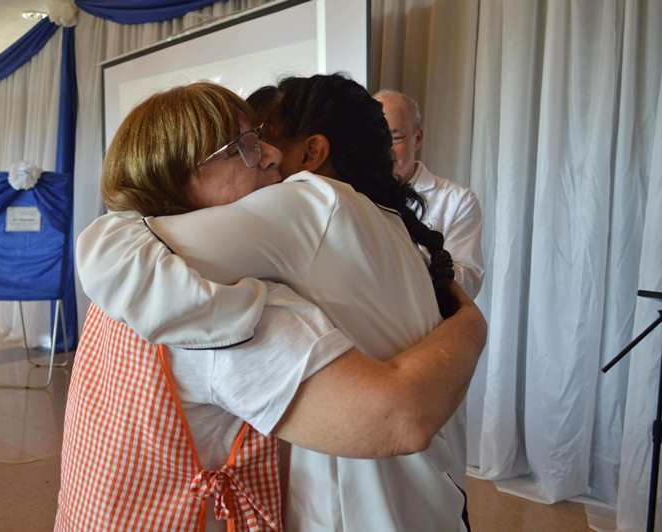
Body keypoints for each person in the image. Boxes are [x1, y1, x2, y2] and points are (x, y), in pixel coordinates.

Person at [73, 75, 484, 531]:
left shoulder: (145, 292)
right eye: (244, 145)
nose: (267, 155)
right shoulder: (210, 304)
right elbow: (400, 416)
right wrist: (472, 325)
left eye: (263, 138)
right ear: (174, 174)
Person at [373, 89, 485, 298]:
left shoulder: (458, 201)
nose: (384, 149)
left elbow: (468, 284)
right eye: (376, 138)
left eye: (395, 138)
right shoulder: (353, 194)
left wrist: (419, 261)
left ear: (418, 138)